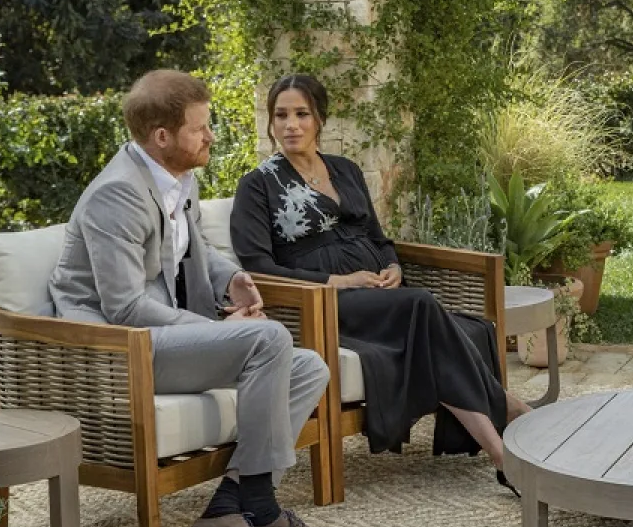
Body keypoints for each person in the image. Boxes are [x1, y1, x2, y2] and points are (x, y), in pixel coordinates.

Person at [50, 70, 347, 527]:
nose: (210, 136)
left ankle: (225, 510)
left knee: (310, 367)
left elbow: (198, 248)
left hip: (155, 337)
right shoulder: (117, 195)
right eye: (200, 128)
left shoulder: (176, 176)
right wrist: (218, 330)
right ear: (161, 136)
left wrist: (233, 279)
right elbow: (124, 307)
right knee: (269, 338)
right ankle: (264, 511)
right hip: (118, 351)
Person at [228, 74, 532, 492]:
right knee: (421, 305)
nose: (291, 125)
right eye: (281, 115)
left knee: (430, 323)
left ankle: (504, 454)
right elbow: (257, 266)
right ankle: (507, 423)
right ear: (270, 121)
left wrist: (393, 266)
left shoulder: (345, 170)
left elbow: (377, 236)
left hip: (377, 294)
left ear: (320, 119)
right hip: (323, 304)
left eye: (302, 114)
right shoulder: (258, 185)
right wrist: (335, 281)